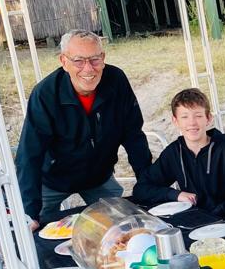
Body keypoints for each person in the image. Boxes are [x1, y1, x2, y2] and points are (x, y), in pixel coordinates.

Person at [16, 30, 152, 229]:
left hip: (99, 176)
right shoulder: (45, 94)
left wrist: (148, 184)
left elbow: (133, 136)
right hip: (53, 179)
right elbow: (29, 155)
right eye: (78, 61)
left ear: (103, 58)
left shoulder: (116, 80)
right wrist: (29, 212)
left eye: (95, 59)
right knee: (38, 230)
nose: (88, 69)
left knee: (121, 227)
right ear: (64, 61)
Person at [132, 88, 225, 219]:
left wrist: (219, 212)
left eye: (198, 116)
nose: (192, 123)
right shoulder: (174, 152)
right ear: (175, 121)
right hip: (194, 221)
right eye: (184, 117)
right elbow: (141, 189)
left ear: (208, 118)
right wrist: (175, 195)